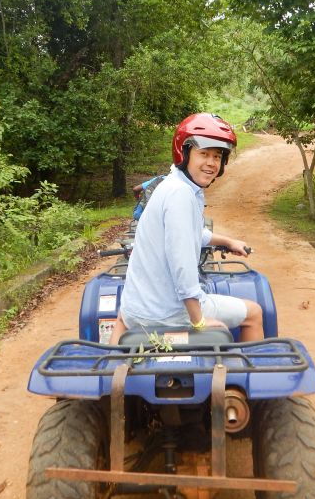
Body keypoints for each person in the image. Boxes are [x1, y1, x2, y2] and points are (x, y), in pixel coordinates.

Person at [109, 113, 264, 344]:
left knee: (124, 316)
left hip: (136, 309)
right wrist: (199, 320)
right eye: (204, 154)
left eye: (217, 156)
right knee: (254, 313)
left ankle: (113, 369)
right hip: (169, 314)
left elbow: (189, 234)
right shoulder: (181, 195)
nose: (211, 163)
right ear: (185, 153)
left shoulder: (170, 186)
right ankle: (248, 376)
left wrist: (227, 242)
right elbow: (182, 265)